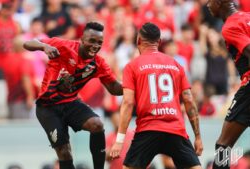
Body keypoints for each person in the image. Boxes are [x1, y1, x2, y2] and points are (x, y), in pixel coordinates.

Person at [23, 22, 123, 169]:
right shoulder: (63, 46)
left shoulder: (98, 63)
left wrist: (135, 85)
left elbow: (114, 88)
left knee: (97, 124)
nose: (96, 46)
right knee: (64, 153)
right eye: (92, 41)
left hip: (71, 103)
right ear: (82, 39)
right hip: (47, 107)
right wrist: (44, 47)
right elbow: (28, 43)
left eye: (99, 43)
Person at [109, 22, 203, 169]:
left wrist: (120, 140)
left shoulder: (132, 66)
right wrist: (197, 137)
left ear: (138, 40)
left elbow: (127, 103)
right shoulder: (175, 64)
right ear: (159, 42)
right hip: (175, 130)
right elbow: (189, 100)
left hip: (148, 129)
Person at [206, 0, 250, 169]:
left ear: (219, 3)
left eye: (209, 2)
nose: (207, 6)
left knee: (223, 145)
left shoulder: (230, 26)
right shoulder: (247, 16)